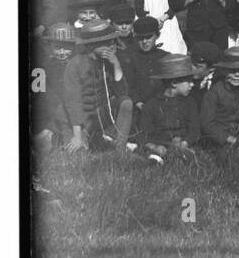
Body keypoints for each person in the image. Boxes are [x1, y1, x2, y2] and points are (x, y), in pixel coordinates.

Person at [61, 20, 134, 153]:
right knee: (79, 154)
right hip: (79, 121)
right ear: (90, 45)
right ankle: (89, 139)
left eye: (112, 41)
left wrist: (116, 65)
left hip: (100, 115)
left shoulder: (109, 61)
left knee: (126, 102)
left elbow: (122, 92)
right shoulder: (75, 64)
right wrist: (77, 136)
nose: (111, 46)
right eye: (105, 43)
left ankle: (120, 149)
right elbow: (73, 102)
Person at [138, 55, 201, 164]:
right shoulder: (152, 105)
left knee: (187, 156)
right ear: (174, 83)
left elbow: (194, 129)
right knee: (155, 156)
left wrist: (185, 142)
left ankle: (182, 157)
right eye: (188, 81)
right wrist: (154, 146)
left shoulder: (190, 102)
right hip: (160, 144)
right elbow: (145, 134)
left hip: (182, 143)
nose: (192, 84)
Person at [199, 47, 239, 158]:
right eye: (232, 71)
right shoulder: (215, 92)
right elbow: (207, 124)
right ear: (224, 71)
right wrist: (227, 138)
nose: (237, 75)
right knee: (226, 155)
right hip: (221, 138)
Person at [32, 22, 77, 160]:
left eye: (66, 48)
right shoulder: (43, 67)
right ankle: (49, 135)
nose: (62, 52)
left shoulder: (77, 65)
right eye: (58, 48)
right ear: (50, 46)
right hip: (51, 112)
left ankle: (55, 137)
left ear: (73, 47)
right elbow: (39, 94)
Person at [122, 16, 172, 106]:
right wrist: (137, 101)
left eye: (149, 37)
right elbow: (128, 85)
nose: (144, 41)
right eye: (140, 38)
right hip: (140, 106)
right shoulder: (130, 58)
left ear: (157, 35)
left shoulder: (166, 57)